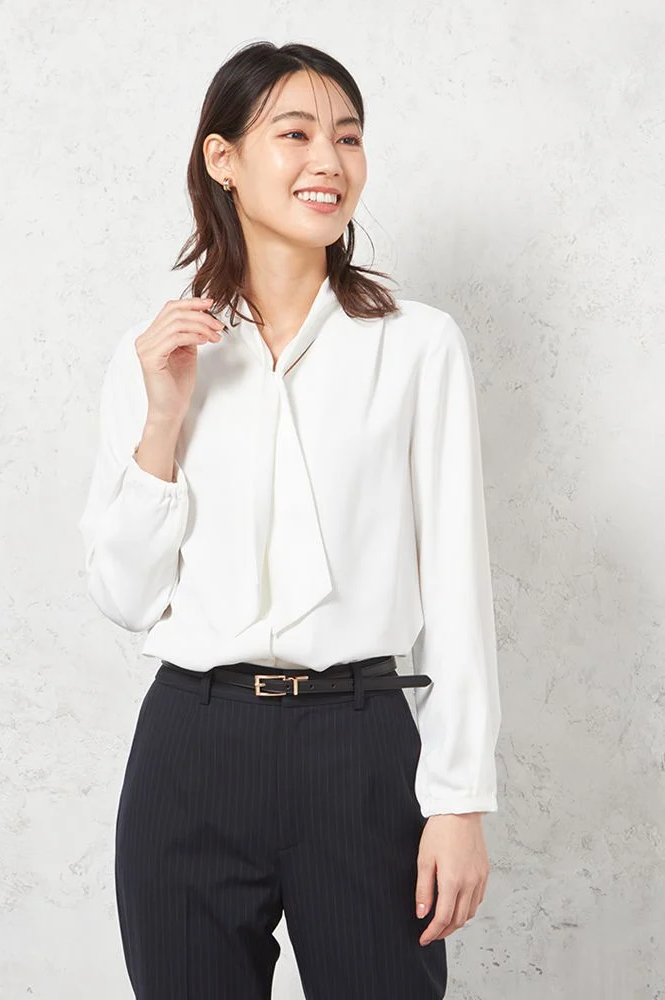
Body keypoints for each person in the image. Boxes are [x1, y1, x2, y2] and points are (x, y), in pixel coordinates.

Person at [78, 40, 501, 1000]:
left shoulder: (417, 347)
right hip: (192, 747)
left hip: (360, 747)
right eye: (296, 134)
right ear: (223, 158)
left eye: (348, 137)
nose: (329, 161)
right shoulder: (157, 354)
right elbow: (126, 597)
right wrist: (162, 420)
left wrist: (460, 799)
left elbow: (458, 589)